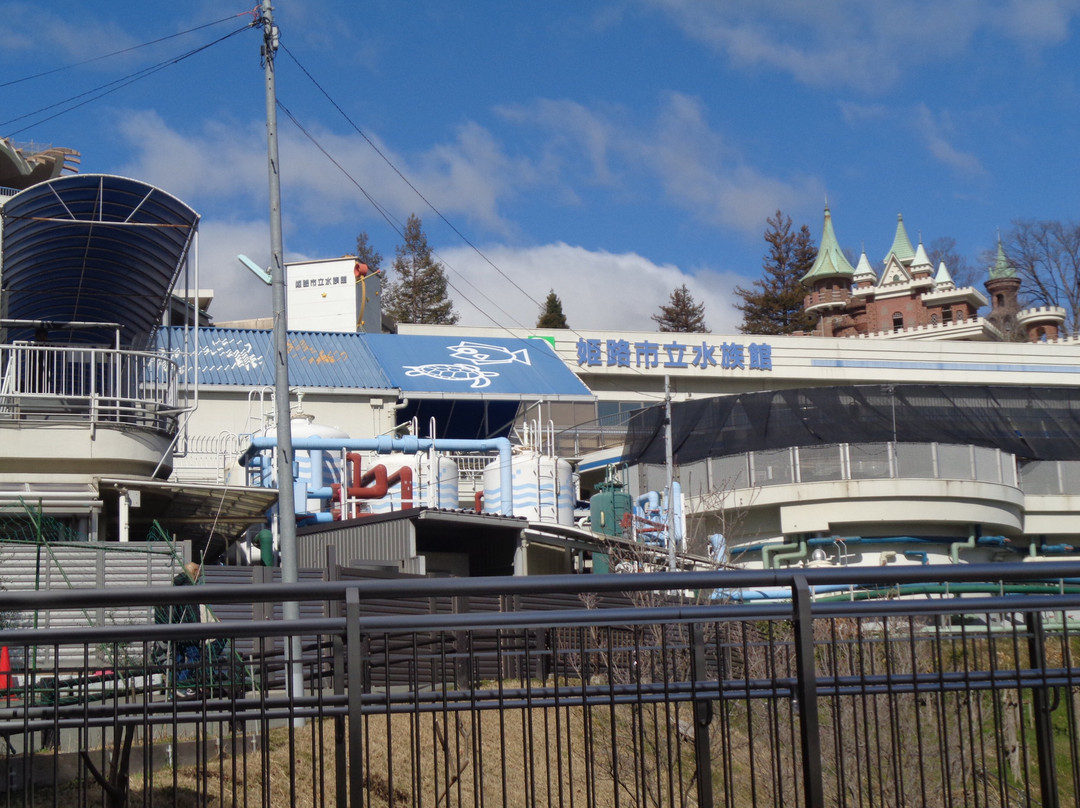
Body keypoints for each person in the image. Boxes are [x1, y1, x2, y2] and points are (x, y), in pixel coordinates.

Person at [154, 562, 202, 696]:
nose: (199, 578)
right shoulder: (189, 588)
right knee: (195, 657)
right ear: (194, 572)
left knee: (177, 660)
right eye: (199, 574)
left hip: (175, 630)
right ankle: (181, 685)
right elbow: (192, 614)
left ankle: (174, 689)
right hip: (188, 630)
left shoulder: (175, 585)